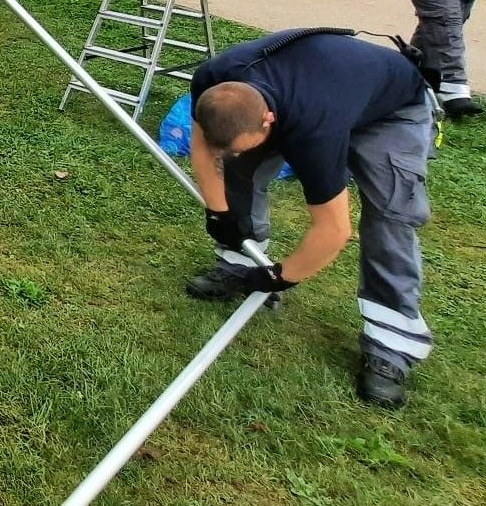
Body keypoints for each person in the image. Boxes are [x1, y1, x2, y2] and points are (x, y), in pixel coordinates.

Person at [184, 28, 437, 408]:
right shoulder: (215, 80)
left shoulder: (313, 128)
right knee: (240, 170)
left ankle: (391, 346)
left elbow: (334, 229)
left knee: (389, 216)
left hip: (391, 110)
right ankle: (238, 263)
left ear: (269, 120)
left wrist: (281, 277)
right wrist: (219, 213)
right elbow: (206, 146)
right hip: (326, 86)